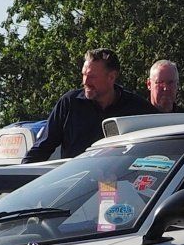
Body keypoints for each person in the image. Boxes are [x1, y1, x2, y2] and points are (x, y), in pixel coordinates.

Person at [24, 49, 154, 162]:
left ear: (111, 77)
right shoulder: (70, 103)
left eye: (91, 76)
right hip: (76, 184)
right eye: (84, 74)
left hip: (120, 184)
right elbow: (42, 147)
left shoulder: (138, 108)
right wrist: (19, 181)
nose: (85, 81)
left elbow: (156, 152)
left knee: (108, 190)